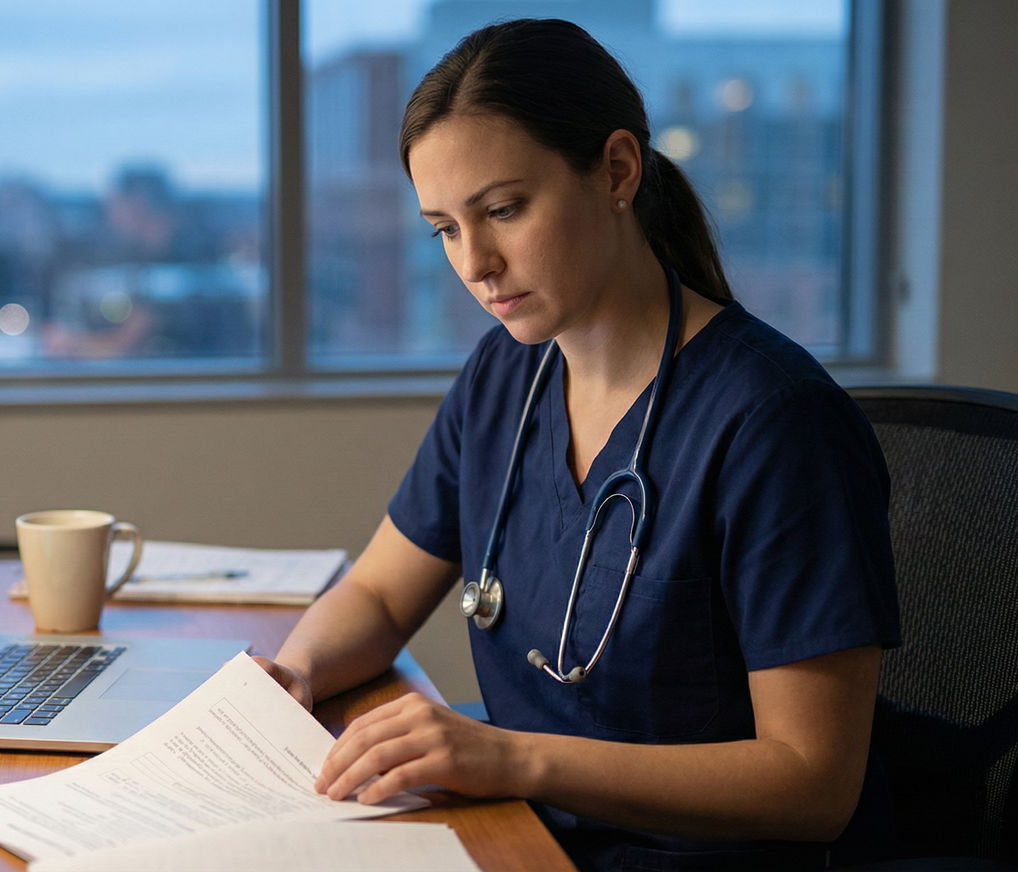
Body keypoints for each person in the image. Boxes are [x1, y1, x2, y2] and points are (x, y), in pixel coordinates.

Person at [252, 18, 901, 871]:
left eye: (504, 210)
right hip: (519, 831)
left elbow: (812, 782)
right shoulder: (505, 377)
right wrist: (296, 672)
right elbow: (377, 593)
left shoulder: (773, 422)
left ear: (618, 171)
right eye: (445, 228)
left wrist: (513, 757)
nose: (476, 263)